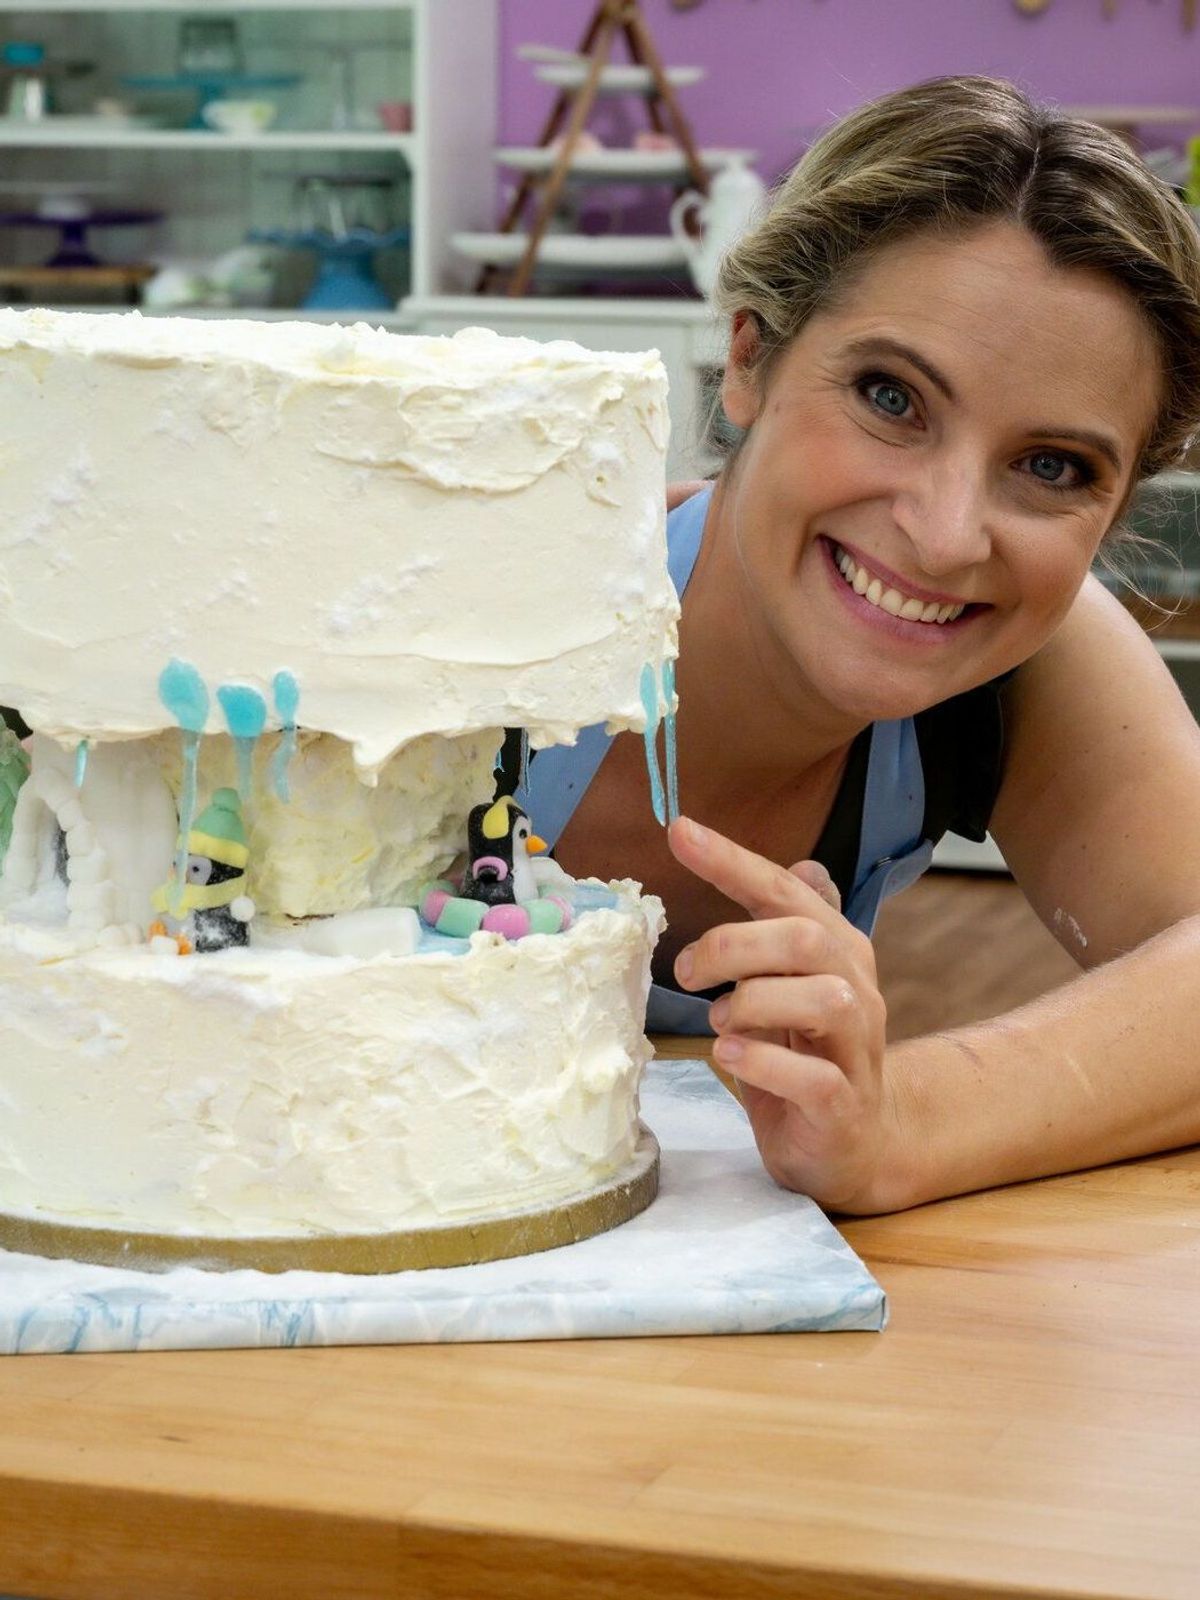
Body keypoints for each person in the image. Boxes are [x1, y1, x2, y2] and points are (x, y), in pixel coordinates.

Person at [516, 74, 1200, 1216]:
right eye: (891, 396)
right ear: (748, 358)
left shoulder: (1037, 662)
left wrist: (904, 1117)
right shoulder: (488, 607)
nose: (943, 537)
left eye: (1052, 469)